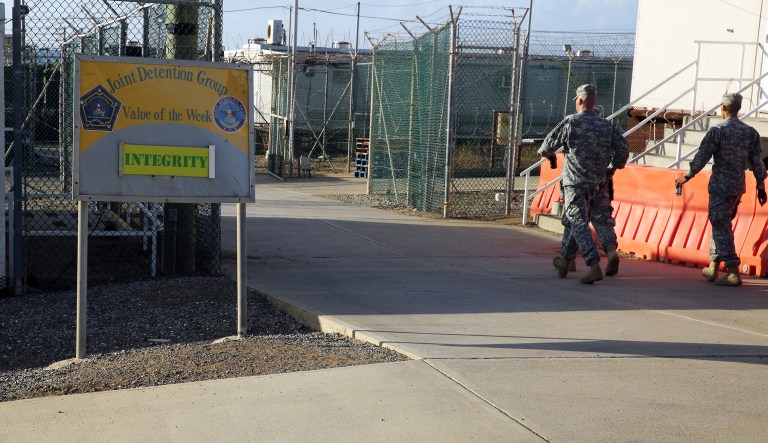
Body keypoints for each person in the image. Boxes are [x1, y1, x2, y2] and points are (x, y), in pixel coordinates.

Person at [538, 84, 629, 284]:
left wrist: (551, 155)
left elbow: (545, 147)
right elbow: (623, 151)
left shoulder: (571, 122)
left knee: (578, 222)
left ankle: (593, 263)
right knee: (578, 220)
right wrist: (613, 168)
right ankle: (566, 261)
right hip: (598, 183)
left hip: (575, 183)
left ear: (579, 100)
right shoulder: (606, 126)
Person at [674, 92, 768, 286]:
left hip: (720, 187)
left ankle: (733, 271)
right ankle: (713, 267)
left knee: (720, 224)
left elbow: (702, 157)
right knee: (721, 223)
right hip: (737, 188)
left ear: (724, 108)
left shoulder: (717, 131)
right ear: (738, 108)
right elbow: (757, 163)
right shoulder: (750, 132)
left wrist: (688, 176)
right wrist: (760, 186)